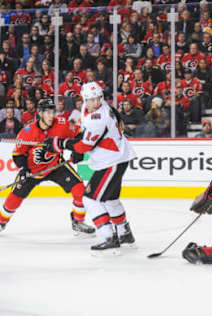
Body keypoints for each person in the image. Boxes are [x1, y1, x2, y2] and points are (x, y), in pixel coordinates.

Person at [44, 82, 137, 252]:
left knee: (89, 198)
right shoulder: (92, 110)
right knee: (110, 199)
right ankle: (124, 233)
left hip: (111, 162)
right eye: (91, 99)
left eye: (98, 98)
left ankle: (108, 236)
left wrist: (59, 144)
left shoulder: (98, 117)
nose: (96, 102)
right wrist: (78, 145)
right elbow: (86, 136)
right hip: (115, 158)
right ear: (85, 99)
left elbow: (85, 146)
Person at [0, 99, 95, 235]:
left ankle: (78, 221)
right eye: (47, 112)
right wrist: (25, 168)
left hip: (56, 166)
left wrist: (77, 150)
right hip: (33, 170)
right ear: (39, 113)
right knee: (14, 198)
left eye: (52, 112)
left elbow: (80, 135)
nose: (51, 116)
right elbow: (18, 154)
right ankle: (1, 222)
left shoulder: (62, 124)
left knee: (80, 191)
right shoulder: (27, 131)